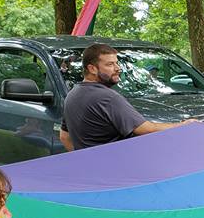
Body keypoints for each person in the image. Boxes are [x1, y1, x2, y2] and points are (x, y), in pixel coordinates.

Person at [60, 43, 195, 151]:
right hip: (117, 173)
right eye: (110, 64)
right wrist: (183, 125)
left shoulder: (72, 95)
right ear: (92, 69)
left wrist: (84, 162)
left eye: (116, 63)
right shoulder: (106, 97)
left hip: (92, 173)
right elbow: (146, 130)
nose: (118, 68)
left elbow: (64, 136)